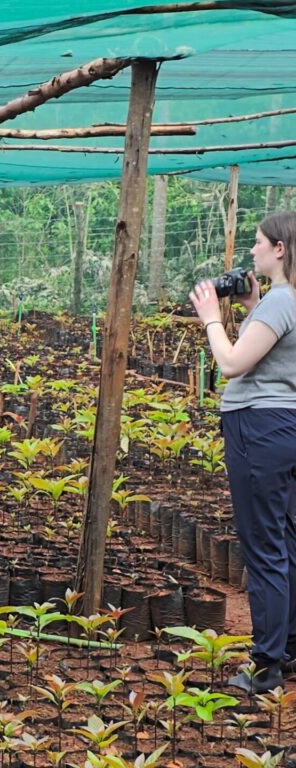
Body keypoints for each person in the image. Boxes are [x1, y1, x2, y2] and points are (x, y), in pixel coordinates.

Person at [190, 211, 296, 694]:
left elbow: (232, 362)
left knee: (263, 547)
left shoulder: (281, 303)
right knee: (287, 541)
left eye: (258, 243)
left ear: (280, 249)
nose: (251, 251)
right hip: (286, 425)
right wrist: (252, 305)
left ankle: (265, 664)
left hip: (260, 429)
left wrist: (213, 320)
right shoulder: (280, 302)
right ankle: (287, 646)